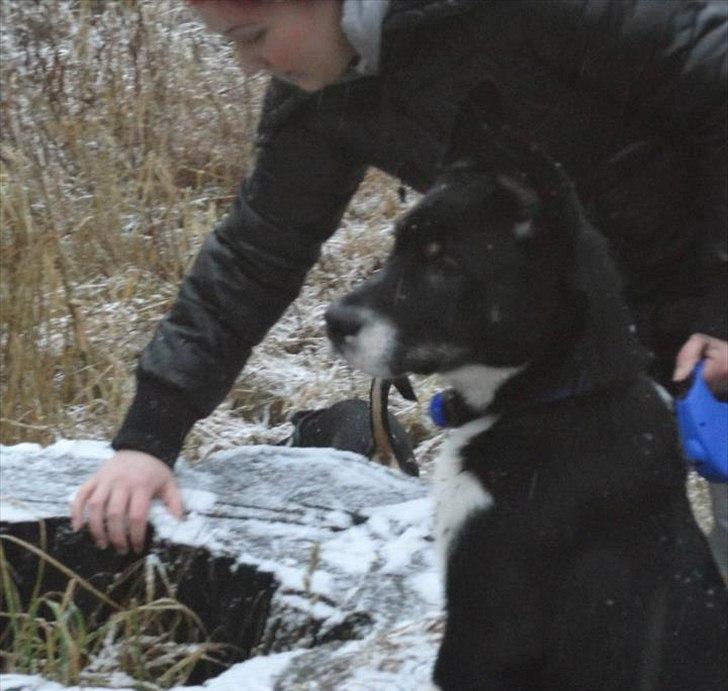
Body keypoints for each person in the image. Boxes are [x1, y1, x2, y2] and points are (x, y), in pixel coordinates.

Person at [71, 0, 728, 569]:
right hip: (625, 316)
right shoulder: (325, 95)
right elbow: (253, 254)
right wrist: (145, 442)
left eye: (253, 36)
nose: (249, 66)